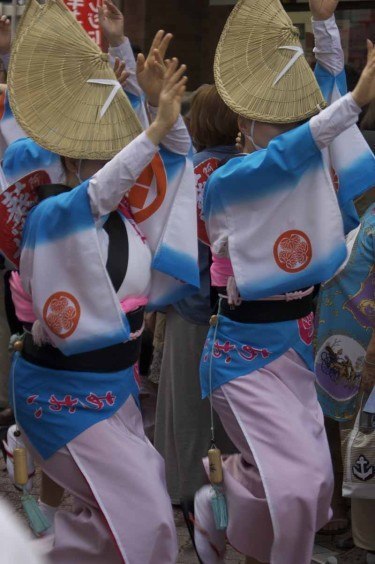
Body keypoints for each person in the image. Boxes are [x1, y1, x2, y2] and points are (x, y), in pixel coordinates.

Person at [4, 1, 199, 562]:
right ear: (72, 156)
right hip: (61, 393)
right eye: (107, 148)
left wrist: (135, 71)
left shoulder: (127, 216)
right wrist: (154, 126)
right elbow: (104, 186)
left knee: (116, 523)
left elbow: (172, 156)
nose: (123, 155)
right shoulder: (54, 214)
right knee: (147, 521)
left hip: (114, 391)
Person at [193, 0, 375, 563]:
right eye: (277, 120)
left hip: (294, 349)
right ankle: (234, 515)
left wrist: (324, 27)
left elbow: (322, 110)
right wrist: (357, 102)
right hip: (241, 357)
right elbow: (295, 147)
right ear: (244, 122)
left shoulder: (308, 165)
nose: (292, 129)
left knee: (316, 487)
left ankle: (222, 504)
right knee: (293, 491)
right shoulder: (229, 180)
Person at [154, 84, 237, 534]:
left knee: (188, 410)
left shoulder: (192, 172)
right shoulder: (251, 169)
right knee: (230, 415)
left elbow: (175, 248)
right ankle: (235, 490)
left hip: (191, 311)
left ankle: (191, 497)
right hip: (244, 313)